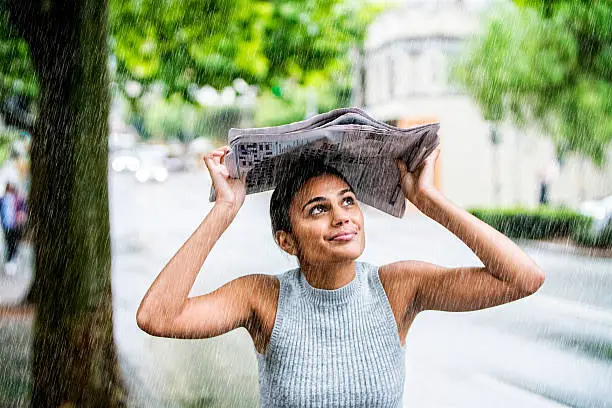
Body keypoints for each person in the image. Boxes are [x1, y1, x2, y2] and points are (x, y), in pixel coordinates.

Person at [137, 145, 546, 407]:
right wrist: (224, 209)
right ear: (287, 241)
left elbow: (522, 278)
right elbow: (158, 316)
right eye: (318, 208)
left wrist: (429, 200)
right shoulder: (261, 296)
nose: (342, 217)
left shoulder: (396, 287)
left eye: (347, 201)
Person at [0, 181, 27, 274]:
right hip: (7, 226)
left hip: (16, 226)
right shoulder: (3, 199)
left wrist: (21, 215)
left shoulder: (19, 199)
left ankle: (13, 262)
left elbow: (23, 210)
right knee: (9, 243)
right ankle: (9, 262)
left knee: (14, 244)